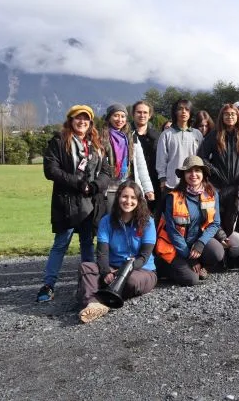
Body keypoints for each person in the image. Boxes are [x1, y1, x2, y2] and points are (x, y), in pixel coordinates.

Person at [37, 105, 112, 303]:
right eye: (78, 118)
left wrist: (95, 186)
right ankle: (48, 285)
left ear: (90, 122)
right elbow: (50, 170)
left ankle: (88, 283)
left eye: (86, 119)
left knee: (87, 243)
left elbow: (106, 171)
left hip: (90, 203)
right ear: (70, 120)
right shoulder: (59, 141)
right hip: (67, 203)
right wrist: (78, 183)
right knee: (61, 244)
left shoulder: (96, 143)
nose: (82, 122)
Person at [76, 180, 158, 323]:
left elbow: (144, 257)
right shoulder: (106, 221)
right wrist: (105, 271)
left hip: (142, 270)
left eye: (133, 198)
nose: (128, 201)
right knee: (86, 267)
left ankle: (97, 296)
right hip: (112, 269)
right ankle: (93, 303)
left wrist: (121, 273)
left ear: (139, 201)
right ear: (118, 197)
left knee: (131, 281)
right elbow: (102, 253)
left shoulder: (148, 222)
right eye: (124, 196)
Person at [154, 156, 224, 286]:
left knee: (217, 252)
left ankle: (200, 265)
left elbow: (215, 223)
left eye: (197, 170)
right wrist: (189, 257)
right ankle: (168, 267)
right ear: (183, 175)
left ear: (203, 174)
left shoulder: (212, 194)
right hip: (176, 247)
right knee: (191, 280)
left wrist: (201, 243)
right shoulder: (172, 197)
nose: (193, 174)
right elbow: (172, 231)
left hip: (196, 243)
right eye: (189, 171)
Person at [101, 103, 154, 212]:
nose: (119, 119)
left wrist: (148, 189)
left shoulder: (132, 138)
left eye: (123, 116)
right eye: (116, 115)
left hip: (128, 188)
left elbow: (141, 166)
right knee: (110, 221)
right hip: (109, 189)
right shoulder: (101, 137)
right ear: (109, 117)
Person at [197, 103, 239, 195]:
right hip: (217, 185)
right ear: (222, 117)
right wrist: (213, 170)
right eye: (227, 114)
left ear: (238, 116)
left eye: (233, 114)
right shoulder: (214, 135)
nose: (230, 116)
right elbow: (201, 156)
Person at [156, 99, 204, 196]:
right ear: (175, 112)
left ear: (190, 113)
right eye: (180, 109)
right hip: (171, 184)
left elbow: (201, 159)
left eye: (187, 109)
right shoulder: (166, 134)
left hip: (193, 184)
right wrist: (162, 179)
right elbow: (161, 160)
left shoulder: (197, 134)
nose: (183, 112)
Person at [131, 100, 161, 213]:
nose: (142, 115)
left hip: (154, 183)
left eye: (145, 112)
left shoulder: (158, 136)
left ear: (150, 115)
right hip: (133, 182)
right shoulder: (126, 135)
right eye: (139, 112)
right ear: (133, 114)